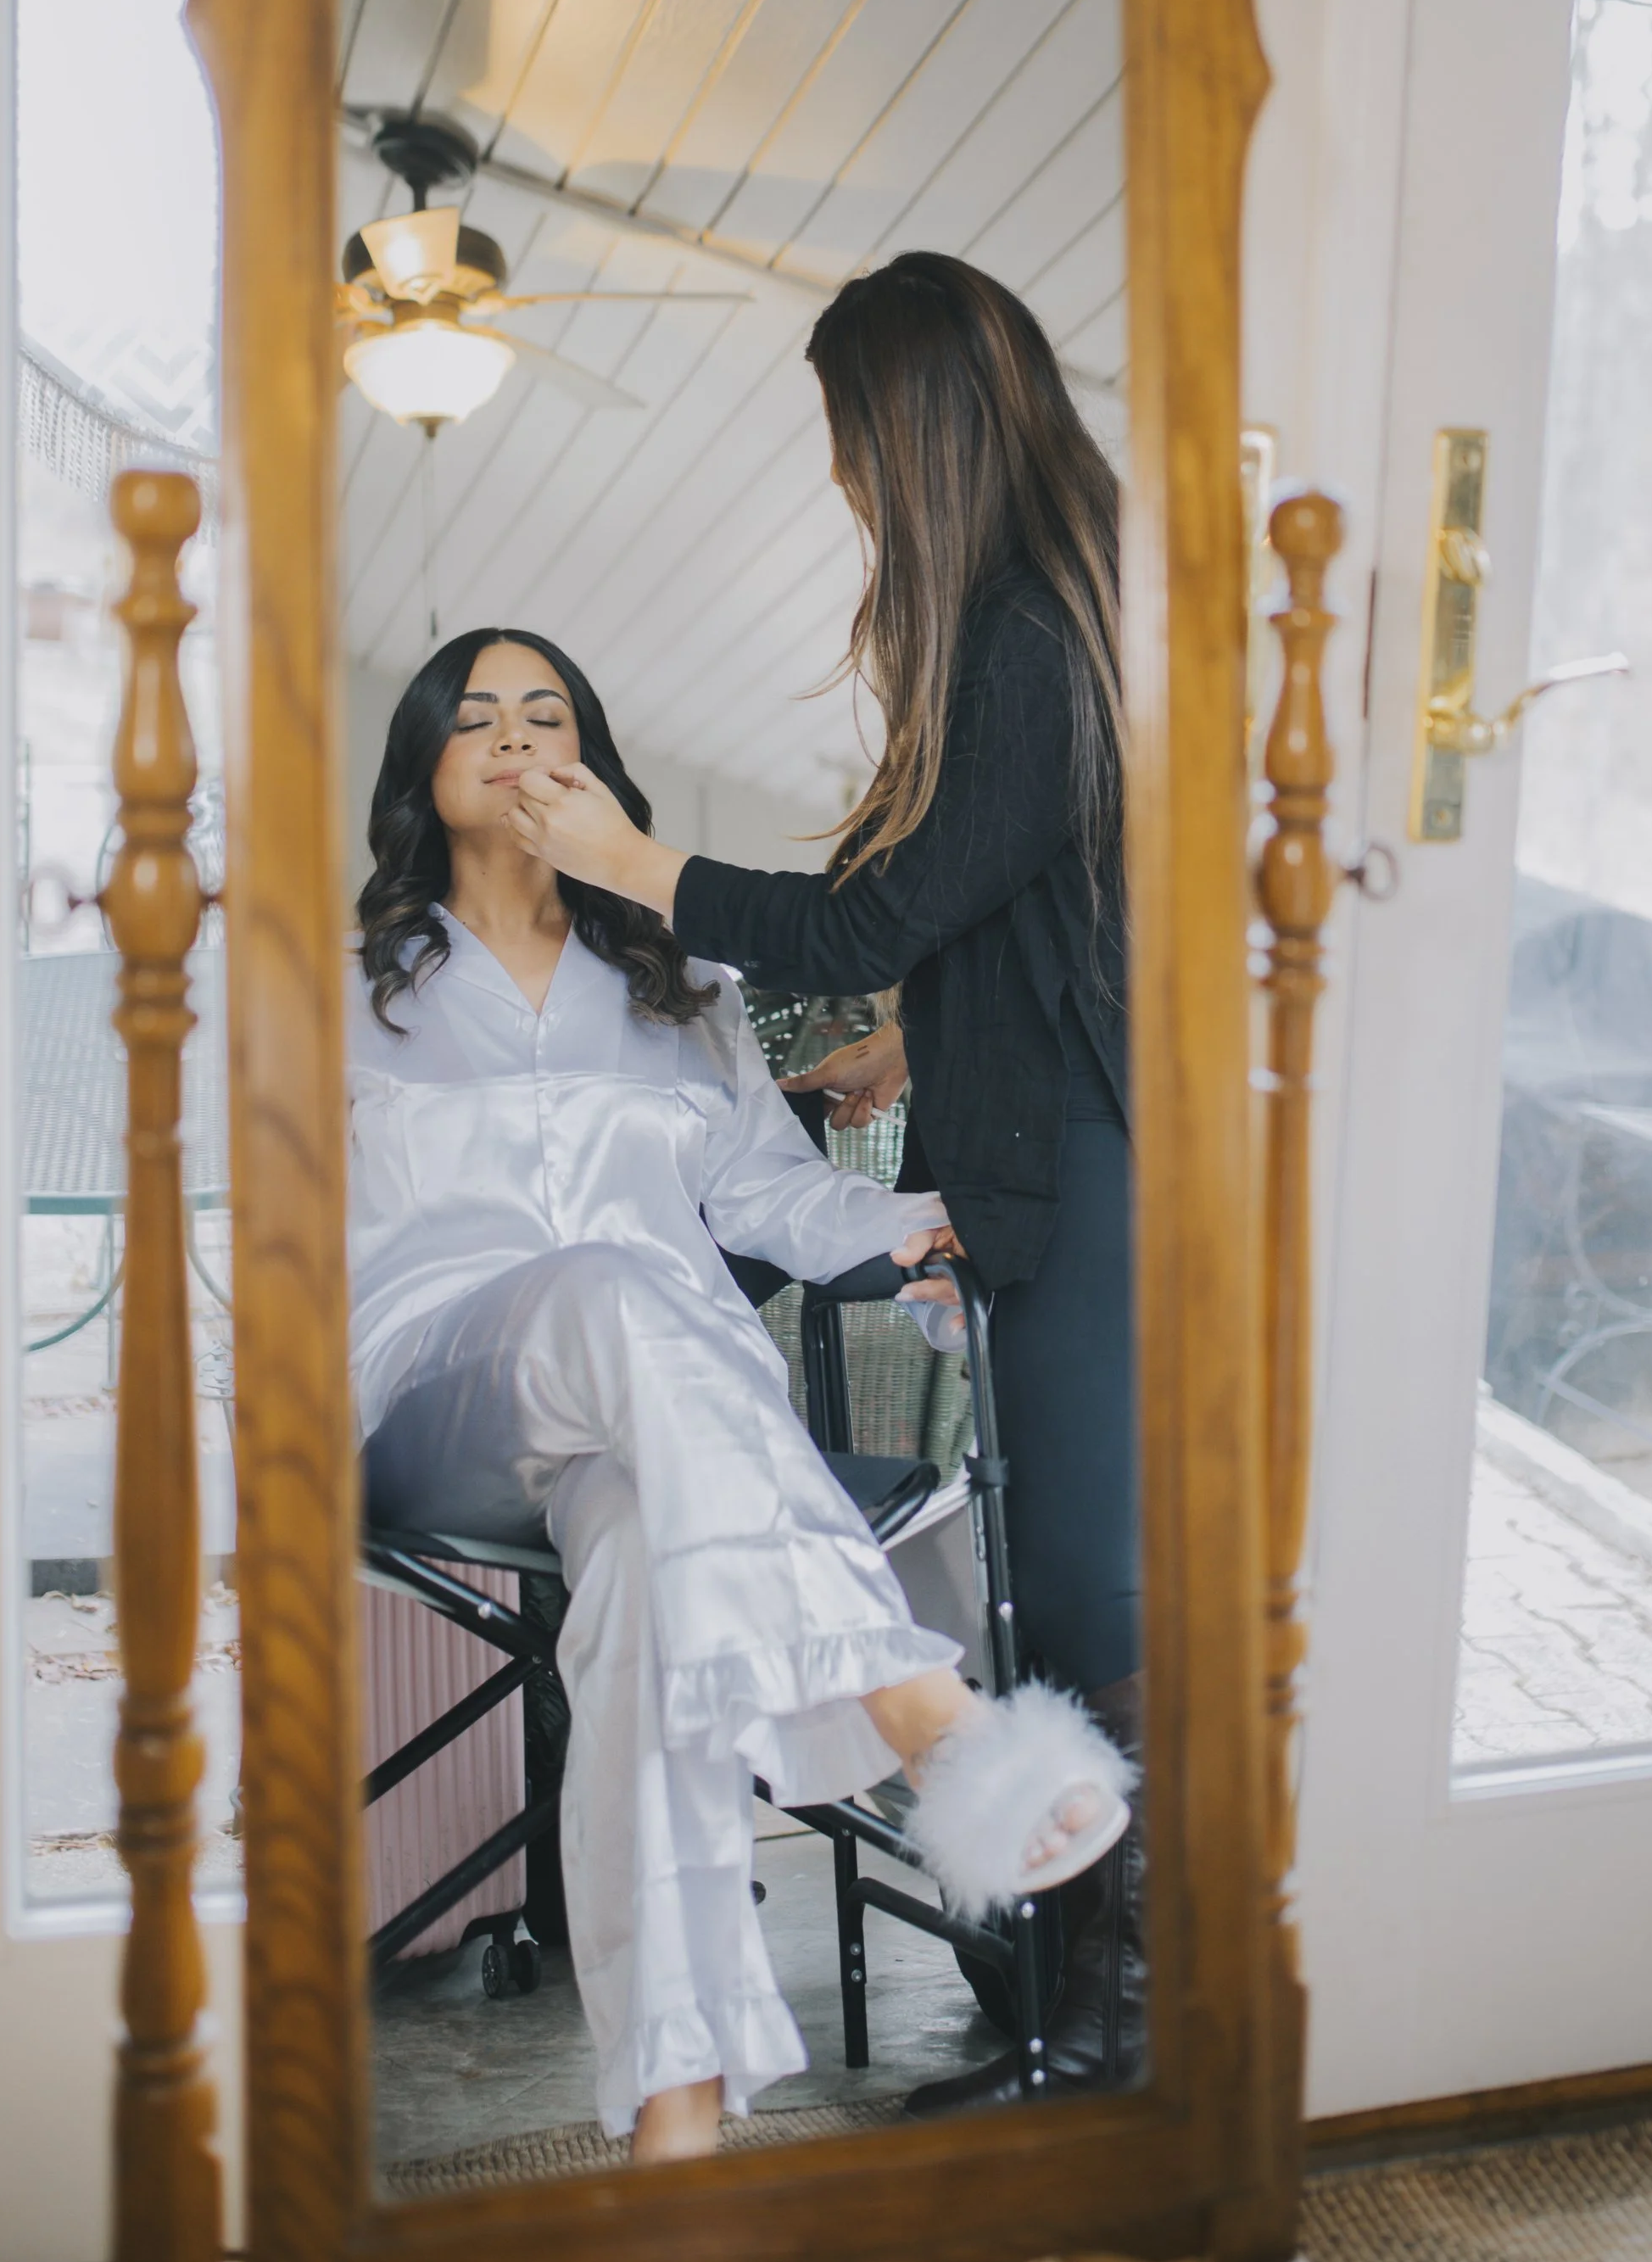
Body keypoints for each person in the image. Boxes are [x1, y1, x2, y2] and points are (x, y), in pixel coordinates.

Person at [348, 626, 1130, 2166]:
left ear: (591, 759)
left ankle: (676, 2107)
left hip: (661, 1435)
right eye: (479, 720)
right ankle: (921, 1706)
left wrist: (922, 1227)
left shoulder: (668, 980)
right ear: (426, 773)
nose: (516, 742)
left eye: (548, 714)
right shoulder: (350, 985)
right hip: (438, 1398)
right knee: (625, 1284)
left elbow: (778, 1196)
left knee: (648, 1562)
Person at [507, 254, 1141, 2117]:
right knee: (1060, 1606)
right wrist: (917, 1057)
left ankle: (1116, 2042)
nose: (848, 484)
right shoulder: (1041, 622)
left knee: (1101, 1615)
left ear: (918, 432)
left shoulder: (1030, 637)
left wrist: (639, 862)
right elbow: (1026, 924)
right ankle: (1073, 2019)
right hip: (1042, 1160)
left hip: (1091, 1187)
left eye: (852, 443)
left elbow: (876, 908)